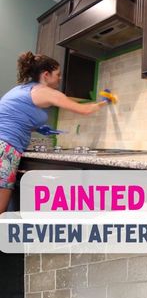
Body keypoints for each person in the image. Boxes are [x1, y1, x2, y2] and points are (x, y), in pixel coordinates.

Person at [0, 51, 108, 214]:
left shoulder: (21, 89)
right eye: (58, 74)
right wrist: (105, 101)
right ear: (46, 75)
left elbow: (13, 116)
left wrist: (37, 128)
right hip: (5, 149)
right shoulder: (45, 91)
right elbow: (84, 110)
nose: (60, 78)